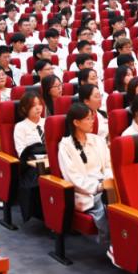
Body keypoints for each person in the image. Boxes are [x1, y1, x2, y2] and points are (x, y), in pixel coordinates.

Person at [58, 103, 113, 246]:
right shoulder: (65, 146)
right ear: (76, 122)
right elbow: (73, 178)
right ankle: (112, 245)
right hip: (86, 192)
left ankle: (125, 244)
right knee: (110, 205)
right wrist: (98, 187)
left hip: (106, 185)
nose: (92, 121)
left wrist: (107, 181)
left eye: (92, 118)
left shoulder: (98, 140)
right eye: (88, 119)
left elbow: (108, 165)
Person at [12, 92, 47, 222]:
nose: (38, 108)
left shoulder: (47, 122)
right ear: (24, 109)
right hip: (31, 166)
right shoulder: (20, 127)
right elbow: (21, 152)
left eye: (39, 104)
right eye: (33, 106)